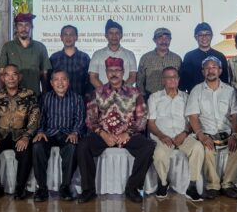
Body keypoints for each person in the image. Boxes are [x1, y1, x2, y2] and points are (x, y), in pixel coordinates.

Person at [77, 57, 154, 204]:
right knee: (83, 146)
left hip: (127, 135)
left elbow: (142, 118)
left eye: (117, 70)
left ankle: (132, 188)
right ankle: (88, 190)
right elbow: (90, 119)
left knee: (148, 146)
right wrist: (103, 134)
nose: (114, 74)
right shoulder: (97, 92)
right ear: (106, 73)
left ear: (123, 72)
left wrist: (128, 133)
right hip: (104, 135)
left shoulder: (135, 92)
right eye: (110, 70)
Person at [185, 56, 237, 200]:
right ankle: (213, 186)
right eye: (207, 68)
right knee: (206, 148)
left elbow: (235, 115)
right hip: (206, 133)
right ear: (203, 71)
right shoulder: (196, 90)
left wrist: (234, 134)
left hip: (227, 133)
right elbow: (193, 116)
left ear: (220, 70)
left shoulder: (230, 90)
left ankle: (228, 184)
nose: (211, 71)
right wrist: (201, 136)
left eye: (214, 67)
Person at [148, 67, 205, 202]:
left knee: (198, 147)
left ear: (179, 80)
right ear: (163, 81)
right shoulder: (154, 97)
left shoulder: (187, 97)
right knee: (159, 155)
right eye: (168, 77)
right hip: (163, 136)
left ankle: (192, 186)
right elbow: (151, 123)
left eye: (175, 77)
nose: (172, 80)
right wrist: (162, 136)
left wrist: (184, 133)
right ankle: (163, 183)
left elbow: (192, 120)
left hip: (183, 135)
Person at [0, 64, 40, 201]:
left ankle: (20, 188)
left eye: (14, 74)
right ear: (2, 78)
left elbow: (34, 117)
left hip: (20, 134)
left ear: (19, 77)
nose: (11, 78)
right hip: (1, 135)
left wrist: (27, 136)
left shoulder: (29, 94)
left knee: (26, 152)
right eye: (7, 75)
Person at [32, 69, 85, 202]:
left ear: (68, 82)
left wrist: (75, 132)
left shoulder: (77, 98)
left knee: (72, 147)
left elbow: (80, 119)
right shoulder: (45, 98)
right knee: (37, 146)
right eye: (56, 80)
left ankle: (65, 187)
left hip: (67, 133)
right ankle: (41, 188)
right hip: (49, 133)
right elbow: (40, 118)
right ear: (51, 83)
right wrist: (40, 131)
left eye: (63, 79)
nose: (60, 83)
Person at [0, 13, 52, 94]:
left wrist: (45, 95)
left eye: (27, 25)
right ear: (16, 27)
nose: (23, 28)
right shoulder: (8, 47)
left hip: (35, 95)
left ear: (31, 27)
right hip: (12, 97)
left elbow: (44, 74)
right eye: (20, 25)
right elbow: (1, 73)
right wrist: (1, 93)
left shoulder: (40, 47)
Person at [179, 23, 229, 92]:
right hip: (195, 95)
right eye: (200, 35)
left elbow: (225, 80)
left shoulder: (220, 56)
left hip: (217, 94)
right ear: (196, 37)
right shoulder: (189, 57)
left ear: (211, 36)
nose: (204, 37)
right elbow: (184, 81)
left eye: (207, 34)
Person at [89, 19, 138, 88]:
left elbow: (133, 76)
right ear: (106, 35)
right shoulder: (97, 54)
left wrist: (122, 91)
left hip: (125, 94)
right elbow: (93, 77)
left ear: (121, 35)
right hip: (102, 94)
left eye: (117, 33)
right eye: (111, 33)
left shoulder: (130, 54)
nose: (114, 36)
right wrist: (105, 92)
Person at [137, 27, 182, 99]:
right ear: (154, 40)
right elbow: (139, 81)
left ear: (170, 40)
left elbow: (181, 81)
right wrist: (143, 98)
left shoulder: (177, 58)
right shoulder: (145, 58)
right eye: (160, 38)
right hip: (150, 97)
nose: (164, 41)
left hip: (173, 99)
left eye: (167, 38)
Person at [49, 25, 92, 97]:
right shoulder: (54, 58)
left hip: (80, 99)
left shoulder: (84, 57)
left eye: (71, 34)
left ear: (76, 37)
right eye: (65, 34)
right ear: (61, 38)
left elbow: (90, 80)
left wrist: (88, 95)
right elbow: (49, 80)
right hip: (58, 100)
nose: (68, 37)